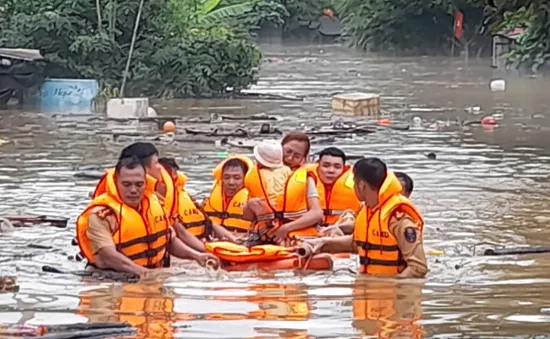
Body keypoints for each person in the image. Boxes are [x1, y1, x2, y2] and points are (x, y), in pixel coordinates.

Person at [75, 156, 219, 276]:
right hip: (112, 279)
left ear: (146, 183)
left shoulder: (155, 204)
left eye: (139, 185)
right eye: (126, 184)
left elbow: (169, 240)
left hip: (152, 273)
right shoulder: (101, 215)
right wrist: (144, 274)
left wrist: (197, 256)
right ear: (115, 183)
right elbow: (108, 256)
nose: (133, 190)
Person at [296, 157, 428, 278]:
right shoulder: (366, 212)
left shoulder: (398, 218)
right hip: (368, 290)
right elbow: (357, 244)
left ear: (361, 185)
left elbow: (418, 267)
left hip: (390, 297)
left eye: (354, 183)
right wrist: (321, 244)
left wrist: (391, 290)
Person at [244, 132, 323, 245]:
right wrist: (249, 205)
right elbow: (248, 217)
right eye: (288, 152)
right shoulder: (258, 176)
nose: (290, 158)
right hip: (265, 234)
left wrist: (285, 229)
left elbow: (316, 213)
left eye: (297, 156)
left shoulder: (304, 178)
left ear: (304, 158)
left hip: (294, 234)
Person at [159, 156, 239, 246]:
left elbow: (210, 223)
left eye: (175, 180)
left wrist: (236, 241)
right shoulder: (155, 206)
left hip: (202, 245)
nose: (171, 186)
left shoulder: (186, 198)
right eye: (168, 181)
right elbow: (181, 234)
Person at [92, 142, 178, 218]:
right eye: (156, 163)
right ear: (141, 169)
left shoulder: (156, 199)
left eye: (139, 185)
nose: (160, 167)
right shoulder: (103, 215)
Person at [307, 147, 362, 236]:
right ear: (318, 165)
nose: (331, 171)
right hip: (311, 230)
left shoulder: (358, 184)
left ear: (344, 168)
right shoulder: (306, 180)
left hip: (343, 231)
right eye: (326, 165)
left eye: (337, 167)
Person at [203, 155, 254, 235]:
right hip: (212, 243)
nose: (231, 182)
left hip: (242, 244)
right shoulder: (207, 201)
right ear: (221, 178)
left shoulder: (254, 201)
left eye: (237, 178)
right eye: (226, 177)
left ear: (246, 178)